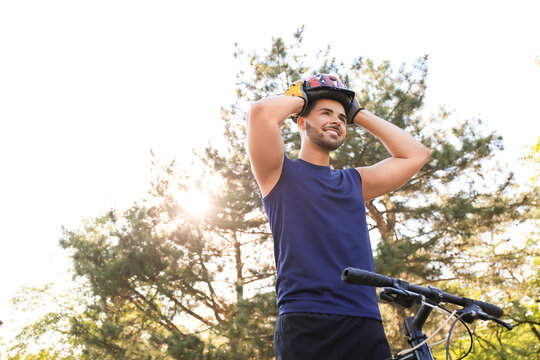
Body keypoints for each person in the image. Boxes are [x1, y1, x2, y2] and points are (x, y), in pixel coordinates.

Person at [246, 74, 431, 360]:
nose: (337, 120)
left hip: (365, 321)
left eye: (343, 118)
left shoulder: (355, 182)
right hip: (306, 321)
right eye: (326, 113)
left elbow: (415, 155)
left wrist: (360, 114)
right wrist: (304, 98)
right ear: (301, 121)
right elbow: (261, 113)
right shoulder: (279, 174)